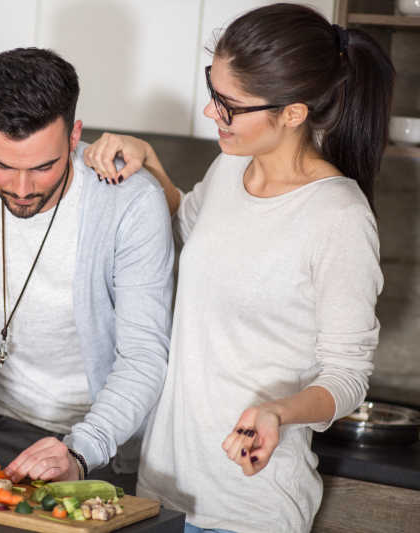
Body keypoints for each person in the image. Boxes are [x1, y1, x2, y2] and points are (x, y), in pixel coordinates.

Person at [84, 3, 392, 532]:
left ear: (293, 113)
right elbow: (190, 229)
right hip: (163, 487)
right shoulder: (231, 165)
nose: (212, 114)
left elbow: (348, 376)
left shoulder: (338, 216)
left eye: (230, 105)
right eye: (213, 91)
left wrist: (278, 411)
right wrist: (148, 160)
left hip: (248, 507)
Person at [0, 47, 173, 486]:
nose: (21, 189)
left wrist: (82, 448)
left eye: (44, 167)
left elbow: (144, 355)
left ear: (75, 135)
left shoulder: (132, 202)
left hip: (102, 444)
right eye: (0, 164)